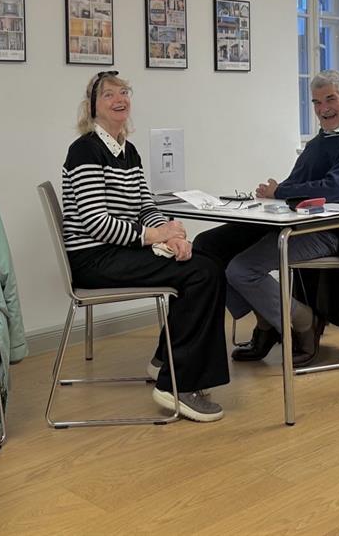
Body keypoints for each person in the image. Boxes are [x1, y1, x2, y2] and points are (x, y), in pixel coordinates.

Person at [62, 71, 229, 422]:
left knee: (207, 262)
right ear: (92, 106)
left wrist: (172, 236)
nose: (119, 99)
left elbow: (145, 206)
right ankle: (176, 386)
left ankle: (164, 361)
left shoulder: (128, 150)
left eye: (124, 92)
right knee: (201, 274)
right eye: (109, 94)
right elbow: (97, 223)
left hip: (118, 251)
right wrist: (157, 236)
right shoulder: (84, 151)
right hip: (93, 258)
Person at [193, 70, 339, 367]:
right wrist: (269, 196)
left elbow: (334, 189)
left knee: (241, 270)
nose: (323, 109)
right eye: (316, 102)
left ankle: (304, 323)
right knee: (207, 246)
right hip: (292, 223)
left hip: (326, 232)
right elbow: (295, 185)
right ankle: (266, 322)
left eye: (330, 99)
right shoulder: (318, 142)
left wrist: (280, 191)